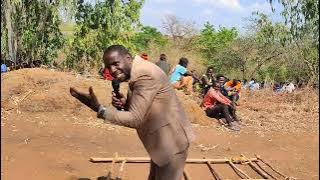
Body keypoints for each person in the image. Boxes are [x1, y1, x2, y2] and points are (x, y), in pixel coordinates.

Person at [69, 45, 195, 180]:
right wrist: (126, 104)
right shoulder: (138, 72)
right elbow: (146, 107)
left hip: (172, 144)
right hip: (162, 143)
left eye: (116, 64)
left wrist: (100, 109)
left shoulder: (144, 74)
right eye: (108, 67)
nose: (112, 70)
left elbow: (135, 118)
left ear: (128, 58)